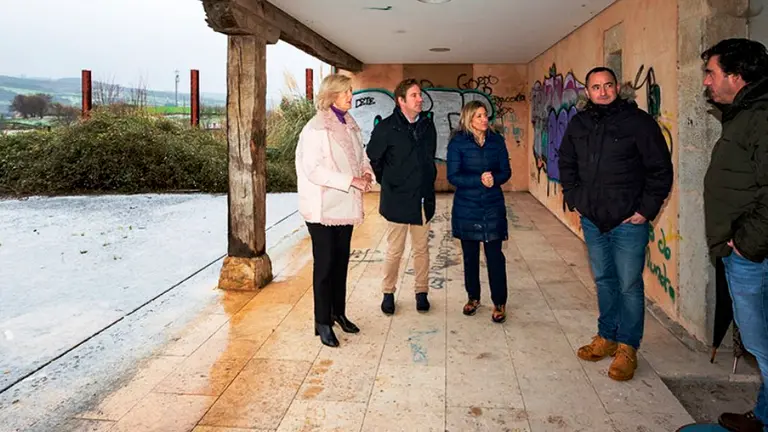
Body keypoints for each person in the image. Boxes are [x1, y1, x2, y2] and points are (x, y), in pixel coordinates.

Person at [558, 66, 673, 381]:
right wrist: (577, 200)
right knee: (604, 281)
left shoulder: (638, 123)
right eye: (596, 87)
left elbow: (660, 170)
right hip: (594, 221)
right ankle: (606, 337)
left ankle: (627, 347)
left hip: (628, 222)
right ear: (588, 92)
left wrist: (645, 210)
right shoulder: (579, 124)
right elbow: (566, 162)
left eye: (608, 85)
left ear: (617, 87)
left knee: (629, 285)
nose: (603, 91)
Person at [701, 38, 768, 432]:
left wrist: (745, 244)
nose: (707, 82)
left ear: (736, 76)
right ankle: (762, 416)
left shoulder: (760, 117)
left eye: (711, 73)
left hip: (752, 253)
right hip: (748, 249)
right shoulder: (746, 114)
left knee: (760, 344)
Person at [295, 74, 374, 348]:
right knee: (325, 265)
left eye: (350, 91)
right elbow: (313, 169)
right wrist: (350, 181)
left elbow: (361, 156)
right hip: (322, 207)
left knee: (341, 262)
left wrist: (365, 171)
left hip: (345, 205)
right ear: (331, 96)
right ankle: (322, 322)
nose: (350, 96)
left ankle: (338, 313)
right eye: (345, 92)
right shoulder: (315, 128)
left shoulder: (351, 125)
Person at [366, 78, 437, 315]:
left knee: (421, 249)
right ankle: (388, 292)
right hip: (396, 199)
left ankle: (421, 292)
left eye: (420, 95)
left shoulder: (428, 127)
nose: (420, 99)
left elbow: (429, 158)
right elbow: (374, 158)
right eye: (415, 95)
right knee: (394, 250)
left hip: (423, 200)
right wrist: (388, 181)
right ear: (401, 101)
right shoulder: (386, 128)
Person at [446, 101, 511, 323]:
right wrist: (478, 180)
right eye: (479, 116)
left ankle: (499, 302)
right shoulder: (457, 143)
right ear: (468, 119)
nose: (485, 119)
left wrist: (495, 179)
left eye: (485, 115)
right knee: (470, 257)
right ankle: (473, 297)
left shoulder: (497, 141)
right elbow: (453, 176)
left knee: (495, 256)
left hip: (493, 205)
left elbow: (506, 171)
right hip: (467, 207)